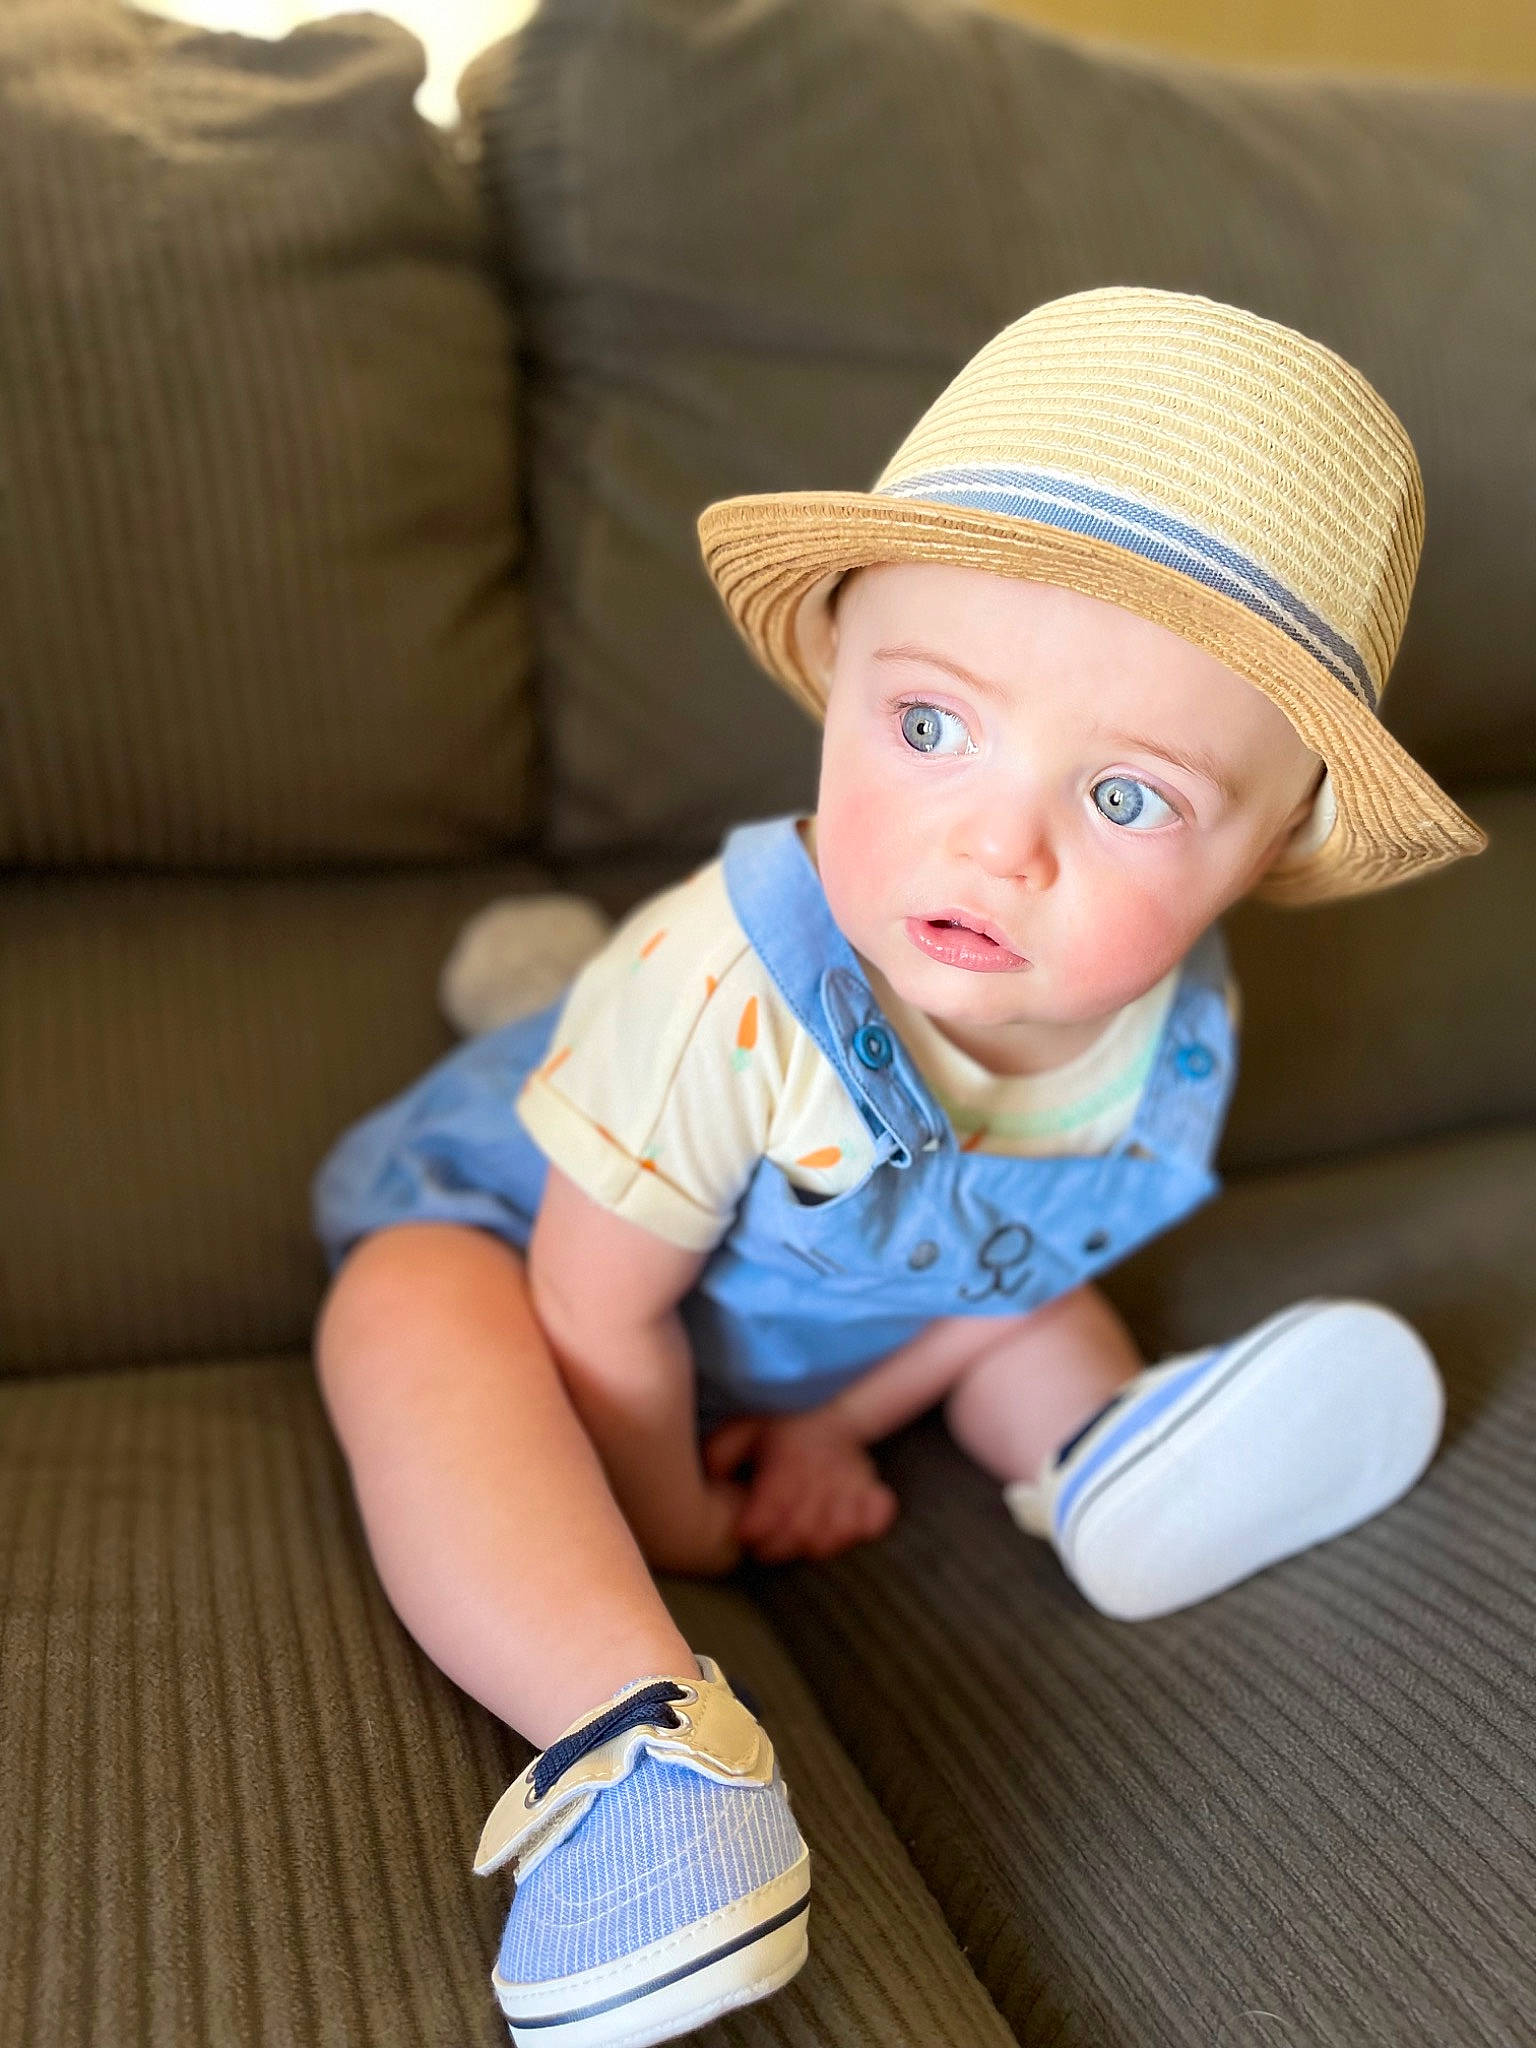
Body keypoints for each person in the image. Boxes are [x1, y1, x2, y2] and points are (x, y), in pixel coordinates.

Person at [309, 286, 1486, 2048]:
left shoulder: (1164, 1027)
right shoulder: (721, 984)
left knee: (1046, 1306)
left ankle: (1101, 1460)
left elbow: (998, 1262)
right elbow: (594, 1307)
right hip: (547, 1249)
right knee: (410, 1321)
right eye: (931, 728)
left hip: (862, 1305)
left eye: (1129, 799)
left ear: (1261, 852)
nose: (994, 845)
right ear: (841, 676)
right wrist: (689, 1523)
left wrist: (838, 1428)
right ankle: (637, 1744)